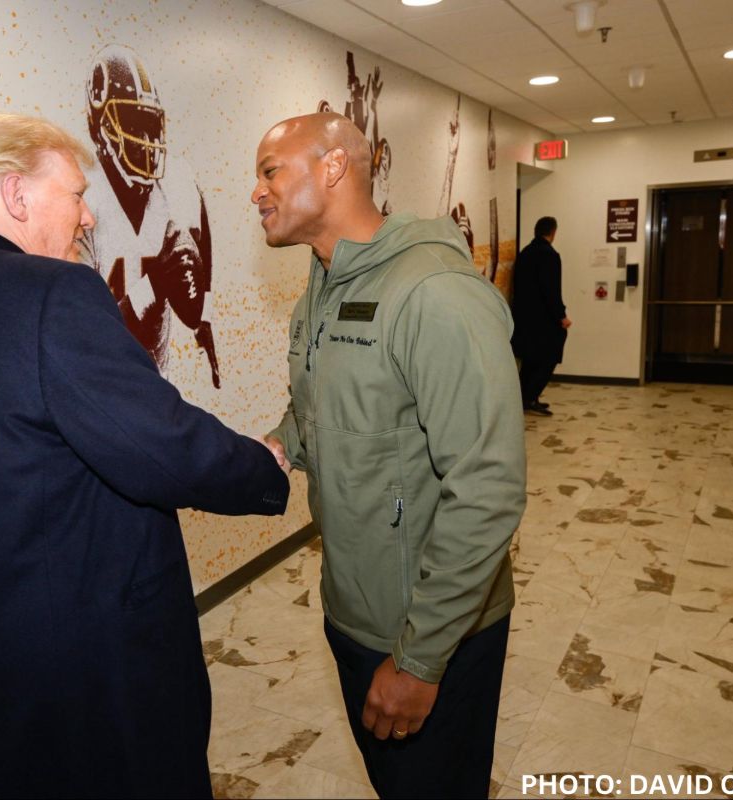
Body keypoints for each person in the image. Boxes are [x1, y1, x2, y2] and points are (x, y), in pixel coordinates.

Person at [0, 113, 289, 799]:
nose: (88, 219)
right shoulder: (53, 295)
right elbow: (161, 444)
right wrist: (263, 467)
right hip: (88, 685)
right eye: (77, 195)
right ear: (16, 195)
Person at [254, 113, 525, 799]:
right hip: (354, 604)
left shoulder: (435, 292)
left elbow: (488, 489)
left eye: (269, 171)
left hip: (429, 628)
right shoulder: (321, 286)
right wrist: (280, 443)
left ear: (335, 168)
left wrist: (420, 659)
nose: (256, 192)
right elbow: (324, 407)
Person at [81, 44, 221, 388]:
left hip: (157, 384)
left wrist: (203, 316)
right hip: (100, 388)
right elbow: (88, 333)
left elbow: (202, 245)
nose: (144, 141)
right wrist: (156, 284)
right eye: (131, 123)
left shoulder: (178, 181)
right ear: (100, 126)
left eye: (149, 124)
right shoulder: (84, 199)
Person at [510, 216, 572, 415]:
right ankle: (530, 396)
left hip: (523, 319)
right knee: (549, 357)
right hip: (544, 321)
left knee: (529, 360)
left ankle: (524, 397)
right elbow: (551, 290)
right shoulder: (550, 255)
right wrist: (561, 316)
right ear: (553, 232)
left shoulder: (525, 253)